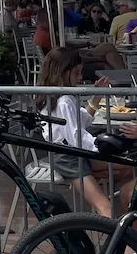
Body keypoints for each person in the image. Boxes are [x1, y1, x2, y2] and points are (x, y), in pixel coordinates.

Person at [31, 47, 135, 218]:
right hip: (69, 158)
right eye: (77, 73)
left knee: (125, 167)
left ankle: (105, 189)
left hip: (70, 154)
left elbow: (82, 120)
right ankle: (115, 240)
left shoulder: (59, 96)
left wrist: (95, 98)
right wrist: (101, 147)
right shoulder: (63, 100)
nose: (80, 78)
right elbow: (77, 137)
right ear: (63, 72)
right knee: (105, 207)